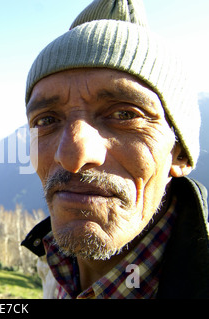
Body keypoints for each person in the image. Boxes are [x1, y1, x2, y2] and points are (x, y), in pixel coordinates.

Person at [21, 0, 209, 299]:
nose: (72, 156)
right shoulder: (52, 268)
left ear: (181, 153)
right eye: (47, 120)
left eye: (124, 114)